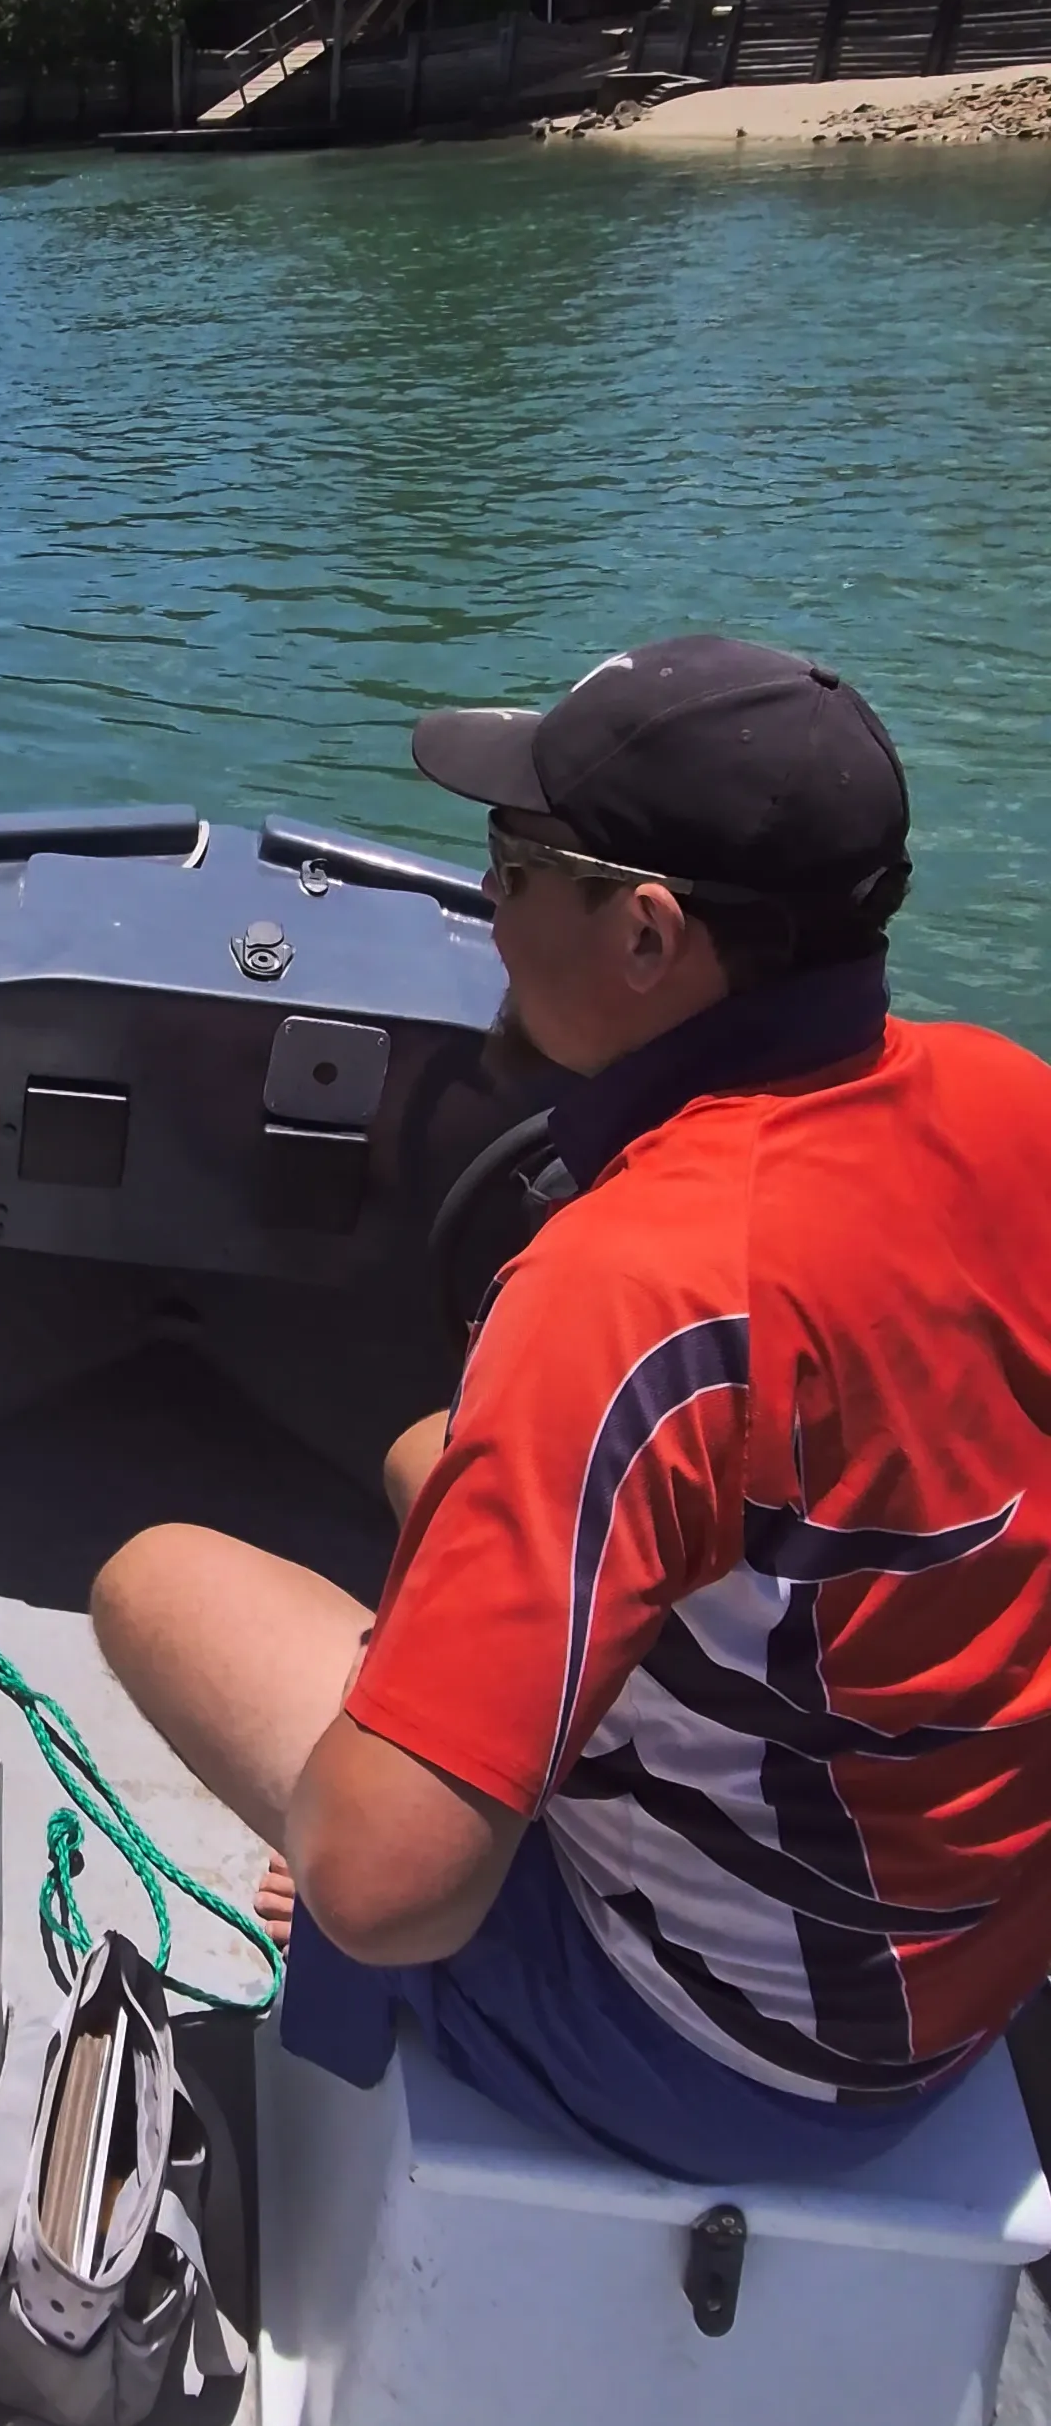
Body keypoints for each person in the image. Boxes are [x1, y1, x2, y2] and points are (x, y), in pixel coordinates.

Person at [93, 635, 1051, 2183]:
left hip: (740, 2051)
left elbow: (385, 1892)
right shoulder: (1010, 1099)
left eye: (515, 865)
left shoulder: (635, 1285)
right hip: (970, 1954)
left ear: (649, 935)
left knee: (159, 1585)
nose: (489, 905)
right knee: (425, 1458)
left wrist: (359, 1822)